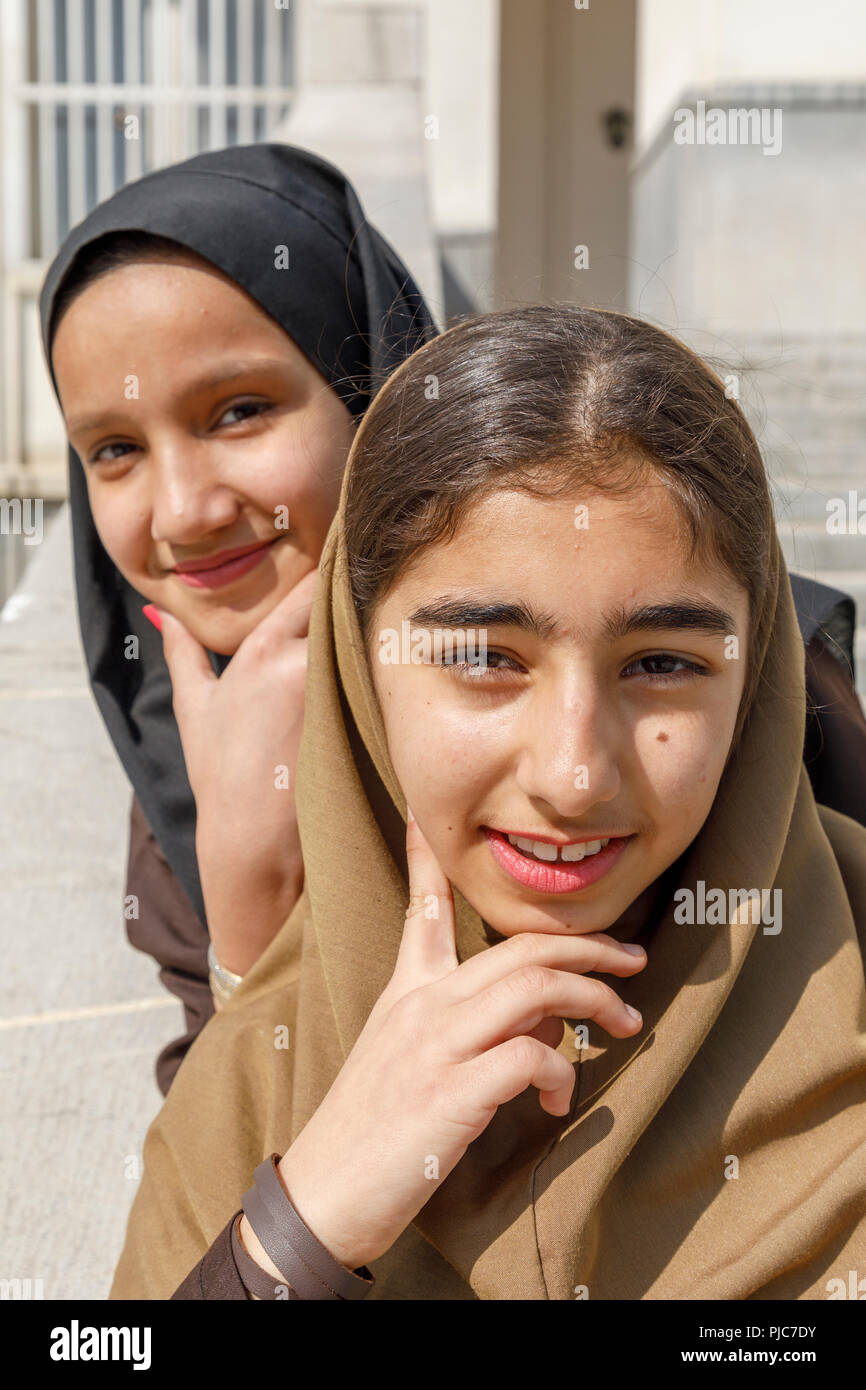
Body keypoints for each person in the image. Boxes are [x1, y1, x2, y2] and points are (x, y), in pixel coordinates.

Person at [108, 306, 866, 1300]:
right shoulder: (260, 1079)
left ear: (755, 667)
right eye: (480, 658)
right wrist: (301, 1230)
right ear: (360, 669)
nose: (572, 774)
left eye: (661, 663)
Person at [38, 143, 438, 1093]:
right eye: (115, 449)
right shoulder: (187, 775)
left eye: (238, 411)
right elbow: (222, 1203)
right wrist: (245, 901)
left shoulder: (652, 679)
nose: (183, 512)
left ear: (375, 398)